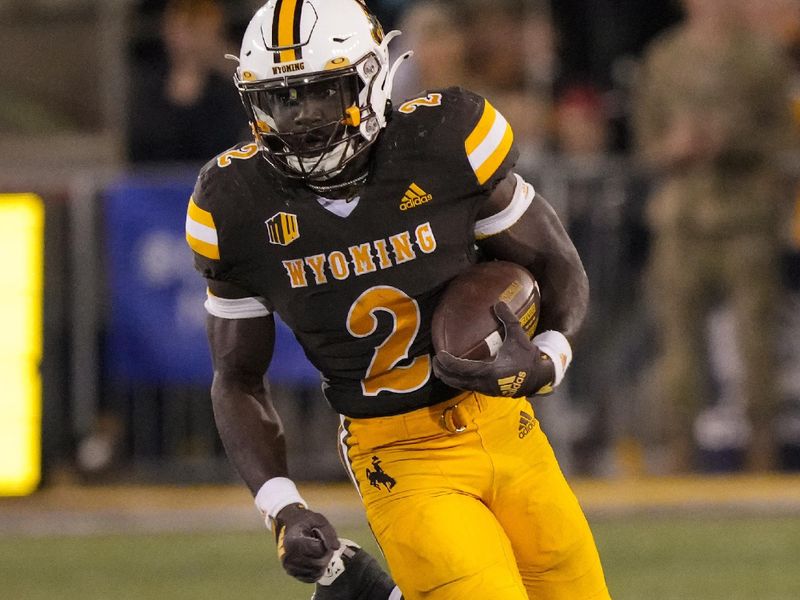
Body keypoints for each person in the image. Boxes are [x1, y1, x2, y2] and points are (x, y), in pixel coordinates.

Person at [185, 1, 609, 598]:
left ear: (371, 77)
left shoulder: (444, 141)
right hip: (400, 453)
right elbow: (236, 377)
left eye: (321, 94)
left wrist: (547, 358)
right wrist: (281, 507)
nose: (302, 119)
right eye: (282, 99)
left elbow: (556, 261)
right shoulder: (234, 203)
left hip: (509, 427)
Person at [632, 0, 795, 473]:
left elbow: (782, 140)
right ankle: (678, 451)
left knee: (757, 342)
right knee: (677, 345)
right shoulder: (664, 59)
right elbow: (645, 144)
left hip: (746, 218)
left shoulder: (761, 60)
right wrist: (674, 148)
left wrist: (732, 140)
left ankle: (762, 451)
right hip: (682, 220)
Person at [127, 0, 247, 163]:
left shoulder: (226, 93)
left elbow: (232, 148)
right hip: (156, 183)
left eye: (194, 29)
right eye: (177, 27)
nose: (185, 39)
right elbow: (139, 150)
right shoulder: (150, 90)